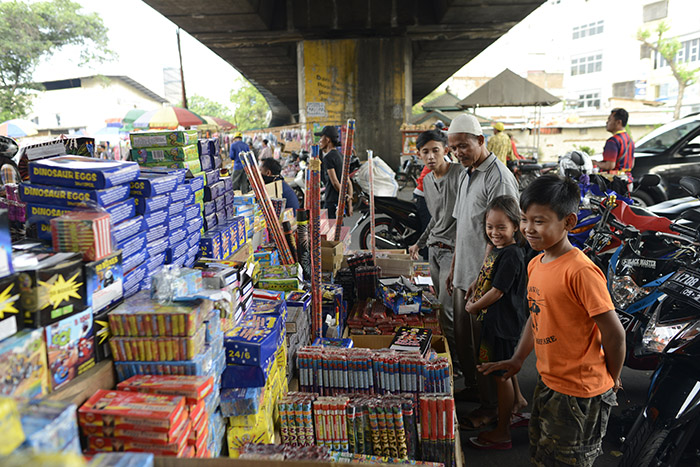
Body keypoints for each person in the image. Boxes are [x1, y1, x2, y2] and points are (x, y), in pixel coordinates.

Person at [480, 174, 625, 464]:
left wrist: (613, 376)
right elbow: (536, 317)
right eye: (524, 219)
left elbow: (614, 333)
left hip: (579, 393)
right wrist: (519, 359)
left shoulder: (580, 271)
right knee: (544, 456)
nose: (528, 229)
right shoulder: (536, 262)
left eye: (539, 221)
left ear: (568, 222)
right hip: (549, 384)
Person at [445, 113, 519, 427]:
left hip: (485, 280)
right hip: (464, 271)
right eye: (454, 148)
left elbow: (505, 235)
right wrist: (454, 266)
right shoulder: (465, 173)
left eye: (464, 146)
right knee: (466, 341)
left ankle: (491, 408)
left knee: (485, 346)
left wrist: (482, 277)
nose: (459, 152)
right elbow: (463, 225)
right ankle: (477, 392)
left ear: (480, 141)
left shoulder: (498, 177)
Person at [464, 195, 529, 450]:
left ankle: (502, 431)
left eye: (501, 227)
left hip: (504, 324)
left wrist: (474, 306)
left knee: (501, 375)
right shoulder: (498, 250)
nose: (494, 232)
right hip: (495, 322)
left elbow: (498, 291)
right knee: (502, 369)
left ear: (515, 226)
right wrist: (474, 285)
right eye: (490, 227)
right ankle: (516, 405)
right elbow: (487, 274)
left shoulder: (512, 254)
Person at [408, 130, 463, 370]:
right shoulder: (428, 180)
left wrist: (457, 259)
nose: (431, 156)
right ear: (419, 155)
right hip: (434, 250)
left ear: (446, 150)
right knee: (441, 310)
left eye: (435, 150)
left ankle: (457, 363)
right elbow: (436, 219)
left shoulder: (460, 175)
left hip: (454, 251)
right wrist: (420, 242)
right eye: (425, 152)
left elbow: (466, 219)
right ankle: (451, 358)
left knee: (449, 312)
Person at [315, 125, 351, 219]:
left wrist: (345, 196)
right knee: (338, 228)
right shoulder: (340, 156)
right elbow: (348, 181)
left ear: (327, 139)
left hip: (331, 201)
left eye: (321, 138)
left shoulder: (328, 158)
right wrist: (349, 201)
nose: (319, 141)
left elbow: (335, 182)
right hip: (339, 200)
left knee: (330, 228)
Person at [595, 108, 634, 172]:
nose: (607, 122)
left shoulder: (613, 141)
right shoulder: (630, 140)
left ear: (618, 122)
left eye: (609, 119)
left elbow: (610, 165)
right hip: (627, 178)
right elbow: (632, 164)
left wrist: (595, 163)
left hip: (613, 179)